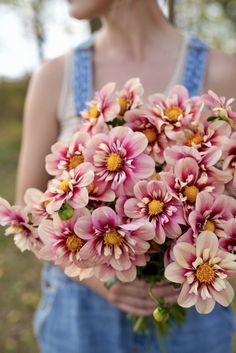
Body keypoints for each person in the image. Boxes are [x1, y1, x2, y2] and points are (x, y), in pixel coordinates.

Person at [15, 1, 236, 352]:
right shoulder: (54, 75)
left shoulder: (225, 71)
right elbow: (28, 215)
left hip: (193, 308)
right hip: (80, 313)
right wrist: (103, 280)